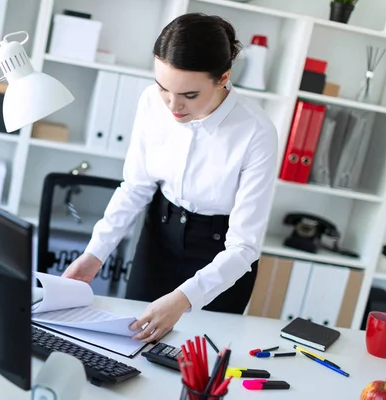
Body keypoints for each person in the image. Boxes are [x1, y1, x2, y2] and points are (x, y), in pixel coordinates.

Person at [62, 13, 278, 343]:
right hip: (158, 237)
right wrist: (94, 254)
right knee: (129, 344)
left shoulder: (256, 132)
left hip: (220, 256)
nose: (173, 105)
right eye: (164, 87)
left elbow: (244, 246)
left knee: (197, 361)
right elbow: (135, 186)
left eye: (189, 95)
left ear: (223, 78)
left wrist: (184, 299)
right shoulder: (151, 102)